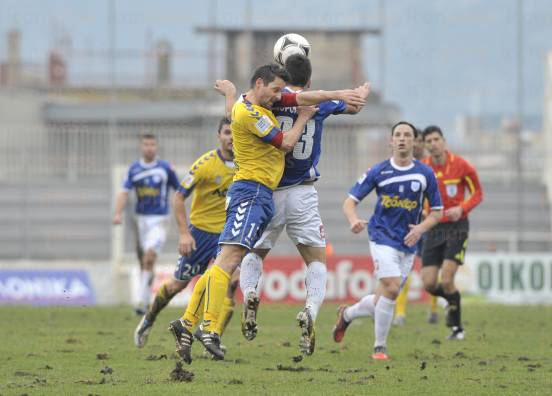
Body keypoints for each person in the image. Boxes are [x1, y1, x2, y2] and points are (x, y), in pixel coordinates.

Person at [169, 63, 367, 361]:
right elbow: (287, 142)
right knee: (229, 261)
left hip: (259, 194)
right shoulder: (250, 113)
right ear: (259, 83)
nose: (278, 97)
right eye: (275, 90)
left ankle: (186, 323)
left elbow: (300, 97)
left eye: (280, 91)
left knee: (223, 262)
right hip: (253, 193)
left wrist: (341, 92)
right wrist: (302, 119)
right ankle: (208, 327)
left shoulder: (253, 104)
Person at [332, 121, 443, 360]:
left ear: (415, 142)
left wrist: (420, 229)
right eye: (398, 135)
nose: (402, 139)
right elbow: (350, 201)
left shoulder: (425, 173)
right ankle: (379, 347)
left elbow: (437, 211)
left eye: (407, 135)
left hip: (408, 242)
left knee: (383, 297)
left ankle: (348, 315)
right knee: (392, 288)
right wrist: (353, 220)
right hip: (381, 236)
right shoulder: (378, 171)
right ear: (391, 141)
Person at [133, 118, 236, 354]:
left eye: (234, 132)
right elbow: (178, 197)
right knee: (177, 285)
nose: (231, 137)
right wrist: (183, 233)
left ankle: (213, 336)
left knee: (232, 282)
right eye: (227, 132)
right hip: (199, 234)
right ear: (218, 136)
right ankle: (148, 319)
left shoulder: (245, 163)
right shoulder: (205, 164)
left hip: (227, 234)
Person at [421, 125, 483, 340]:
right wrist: (421, 210)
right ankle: (451, 300)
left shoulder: (461, 165)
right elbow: (418, 195)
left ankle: (457, 329)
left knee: (447, 279)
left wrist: (462, 208)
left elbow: (477, 194)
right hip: (433, 226)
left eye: (436, 139)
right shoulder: (423, 168)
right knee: (428, 283)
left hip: (457, 227)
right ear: (425, 145)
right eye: (428, 141)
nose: (433, 144)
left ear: (443, 141)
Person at [112, 133, 180, 315]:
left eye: (152, 144)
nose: (149, 147)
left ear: (156, 147)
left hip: (160, 220)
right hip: (140, 220)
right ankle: (147, 298)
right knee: (144, 262)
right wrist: (118, 213)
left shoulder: (165, 168)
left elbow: (180, 190)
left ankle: (141, 302)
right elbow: (124, 192)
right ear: (141, 147)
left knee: (149, 257)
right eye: (146, 144)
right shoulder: (134, 169)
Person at [392, 131, 427, 326]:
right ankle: (400, 312)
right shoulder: (402, 166)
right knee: (404, 268)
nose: (420, 145)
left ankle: (433, 310)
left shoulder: (428, 168)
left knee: (431, 270)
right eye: (418, 141)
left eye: (422, 141)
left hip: (429, 225)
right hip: (407, 225)